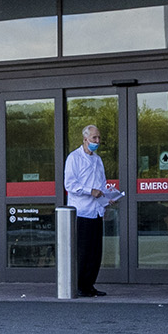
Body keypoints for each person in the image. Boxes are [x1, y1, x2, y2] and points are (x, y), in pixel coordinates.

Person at [63, 123, 119, 296]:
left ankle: (89, 285)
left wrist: (107, 198)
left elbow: (101, 184)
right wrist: (90, 191)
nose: (97, 141)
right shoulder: (74, 158)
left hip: (96, 211)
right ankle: (79, 285)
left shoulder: (97, 160)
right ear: (85, 139)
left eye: (99, 138)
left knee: (95, 252)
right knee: (83, 251)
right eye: (94, 138)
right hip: (82, 211)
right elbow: (70, 184)